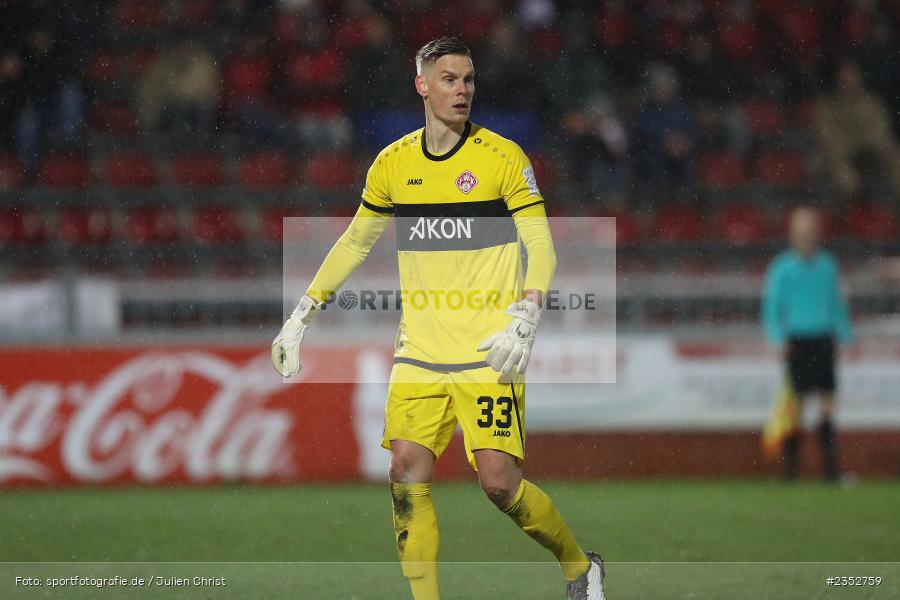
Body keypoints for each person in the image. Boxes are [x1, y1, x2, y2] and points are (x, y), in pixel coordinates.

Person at [271, 37, 606, 600]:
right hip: (419, 352)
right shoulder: (394, 163)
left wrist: (529, 309)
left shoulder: (503, 158)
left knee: (500, 485)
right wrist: (303, 312)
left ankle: (579, 567)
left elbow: (541, 243)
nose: (462, 90)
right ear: (422, 85)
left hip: (489, 351)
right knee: (406, 471)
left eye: (469, 79)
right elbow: (355, 242)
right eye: (449, 79)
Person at [762, 207, 854, 481]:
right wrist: (778, 338)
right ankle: (791, 473)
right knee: (796, 407)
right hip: (798, 342)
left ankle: (830, 471)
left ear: (817, 231)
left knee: (827, 404)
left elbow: (836, 305)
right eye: (801, 228)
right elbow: (771, 308)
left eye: (810, 228)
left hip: (823, 340)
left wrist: (848, 337)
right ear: (792, 232)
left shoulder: (828, 265)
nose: (806, 233)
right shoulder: (782, 267)